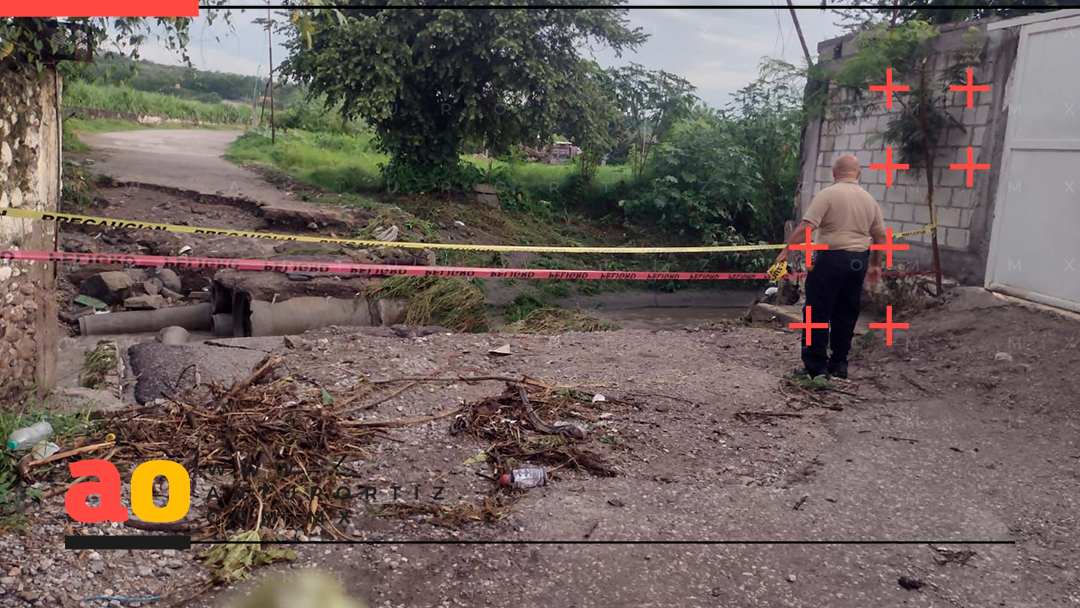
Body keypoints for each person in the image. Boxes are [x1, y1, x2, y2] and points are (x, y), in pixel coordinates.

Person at [774, 154, 888, 379]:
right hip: (858, 262)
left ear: (835, 173)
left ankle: (815, 367)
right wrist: (875, 265)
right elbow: (881, 236)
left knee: (816, 312)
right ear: (859, 173)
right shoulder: (869, 200)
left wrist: (786, 251)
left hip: (831, 259)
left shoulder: (827, 195)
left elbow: (807, 226)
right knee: (846, 312)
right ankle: (839, 364)